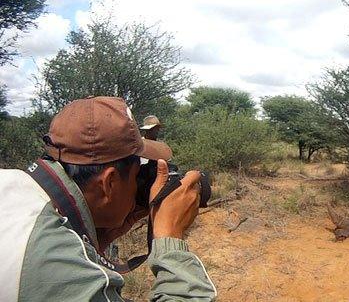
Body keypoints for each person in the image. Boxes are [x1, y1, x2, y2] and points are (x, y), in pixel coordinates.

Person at [0, 96, 216, 301]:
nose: (139, 185)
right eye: (136, 176)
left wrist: (93, 240)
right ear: (108, 183)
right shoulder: (52, 260)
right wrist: (170, 238)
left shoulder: (12, 185)